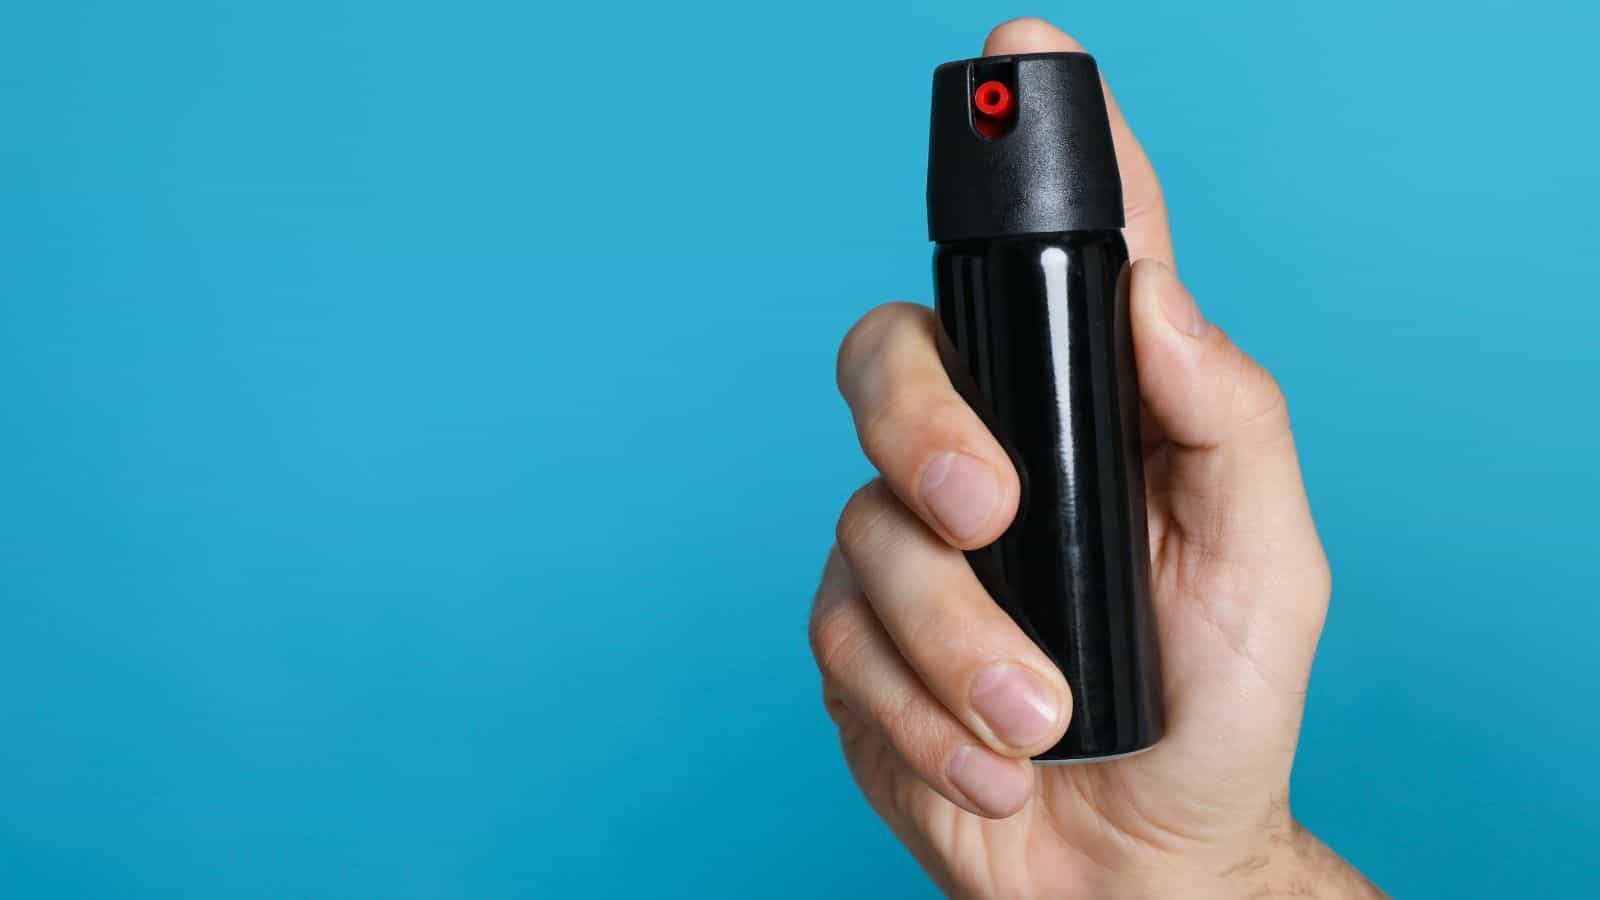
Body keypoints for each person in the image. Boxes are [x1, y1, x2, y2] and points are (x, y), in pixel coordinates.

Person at [807, 18, 1388, 899]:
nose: (992, 116)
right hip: (1059, 811)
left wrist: (1197, 868)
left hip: (1157, 821)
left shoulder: (1095, 262)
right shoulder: (1002, 258)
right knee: (960, 485)